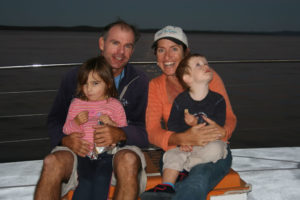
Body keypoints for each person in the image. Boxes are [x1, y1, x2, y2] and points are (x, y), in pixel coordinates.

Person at [34, 20, 149, 200]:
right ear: (102, 44)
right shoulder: (75, 77)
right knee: (52, 162)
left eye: (127, 46)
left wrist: (120, 133)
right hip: (78, 146)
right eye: (115, 43)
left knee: (129, 161)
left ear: (132, 51)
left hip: (119, 149)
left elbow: (144, 132)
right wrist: (65, 140)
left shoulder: (139, 81)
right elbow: (55, 120)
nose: (120, 52)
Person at [141, 26, 237, 200]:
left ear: (186, 54)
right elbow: (152, 131)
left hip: (211, 150)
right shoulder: (155, 86)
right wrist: (182, 138)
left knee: (197, 181)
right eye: (161, 50)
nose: (167, 56)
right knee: (177, 174)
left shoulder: (208, 77)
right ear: (156, 57)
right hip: (180, 149)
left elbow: (230, 117)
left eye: (174, 49)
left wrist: (224, 131)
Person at [63, 55, 128, 160]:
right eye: (85, 84)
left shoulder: (115, 105)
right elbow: (66, 130)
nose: (89, 89)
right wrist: (76, 122)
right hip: (82, 153)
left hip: (106, 154)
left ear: (108, 83)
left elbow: (123, 132)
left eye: (95, 83)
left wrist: (111, 123)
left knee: (102, 176)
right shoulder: (76, 104)